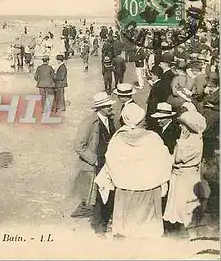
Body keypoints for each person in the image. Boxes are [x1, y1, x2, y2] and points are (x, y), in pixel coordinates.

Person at [95, 103, 172, 238]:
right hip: (149, 188)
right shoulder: (152, 137)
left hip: (125, 189)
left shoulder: (118, 139)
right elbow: (164, 160)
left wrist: (122, 177)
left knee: (126, 225)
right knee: (147, 227)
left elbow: (111, 161)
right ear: (140, 119)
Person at [72, 92, 117, 236]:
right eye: (108, 106)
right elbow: (79, 146)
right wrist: (94, 159)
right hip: (96, 165)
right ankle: (98, 227)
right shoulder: (89, 122)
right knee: (98, 196)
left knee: (109, 194)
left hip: (109, 163)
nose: (111, 107)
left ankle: (104, 222)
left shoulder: (111, 120)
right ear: (100, 107)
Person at [163, 111, 207, 234]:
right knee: (179, 205)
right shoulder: (190, 140)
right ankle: (179, 228)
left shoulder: (192, 142)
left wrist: (181, 141)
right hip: (181, 176)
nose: (180, 127)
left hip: (186, 178)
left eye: (183, 125)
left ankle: (183, 232)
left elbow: (178, 158)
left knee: (182, 206)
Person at [145, 65, 164, 132]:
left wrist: (148, 116)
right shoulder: (162, 83)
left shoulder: (155, 87)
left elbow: (152, 103)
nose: (151, 77)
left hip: (153, 113)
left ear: (156, 76)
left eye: (152, 75)